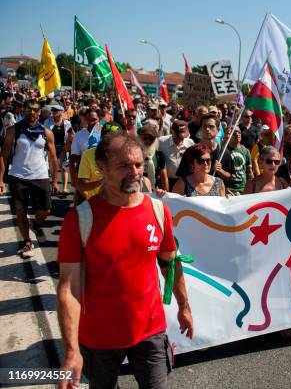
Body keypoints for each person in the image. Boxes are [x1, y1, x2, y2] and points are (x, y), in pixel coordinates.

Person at [57, 131, 193, 388]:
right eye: (123, 165)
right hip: (99, 339)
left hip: (150, 331)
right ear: (101, 168)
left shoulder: (158, 210)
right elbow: (69, 289)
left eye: (139, 164)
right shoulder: (80, 220)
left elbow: (170, 263)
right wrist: (71, 350)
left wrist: (184, 306)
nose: (134, 172)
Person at [0, 99, 59, 257]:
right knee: (20, 211)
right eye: (28, 109)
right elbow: (4, 154)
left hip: (40, 176)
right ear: (24, 111)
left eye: (35, 110)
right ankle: (27, 242)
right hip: (18, 176)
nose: (32, 112)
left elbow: (53, 158)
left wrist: (54, 180)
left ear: (39, 112)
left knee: (46, 209)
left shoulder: (46, 132)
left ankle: (35, 223)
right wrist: (0, 178)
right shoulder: (14, 130)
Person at [77, 122, 123, 201]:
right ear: (101, 137)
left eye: (113, 137)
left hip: (118, 203)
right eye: (105, 136)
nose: (108, 140)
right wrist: (102, 181)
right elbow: (82, 185)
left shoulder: (125, 156)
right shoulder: (88, 154)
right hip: (96, 204)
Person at [157, 120, 194, 191]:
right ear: (172, 131)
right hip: (167, 181)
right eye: (178, 135)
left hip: (184, 181)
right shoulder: (161, 142)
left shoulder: (190, 143)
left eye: (182, 136)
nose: (180, 139)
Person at [46, 104, 74, 195]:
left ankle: (65, 188)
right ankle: (54, 186)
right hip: (51, 147)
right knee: (53, 167)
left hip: (63, 147)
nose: (53, 113)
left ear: (61, 113)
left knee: (64, 167)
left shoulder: (67, 123)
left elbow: (71, 135)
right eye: (53, 111)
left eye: (56, 111)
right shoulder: (48, 121)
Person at [218, 129, 253, 195]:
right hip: (228, 190)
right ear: (229, 136)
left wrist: (253, 187)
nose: (237, 134)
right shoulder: (224, 151)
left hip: (243, 189)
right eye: (234, 132)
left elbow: (249, 171)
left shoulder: (246, 151)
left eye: (239, 132)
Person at [139, 124, 168, 191]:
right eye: (145, 138)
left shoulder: (159, 155)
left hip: (155, 191)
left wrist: (167, 196)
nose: (148, 141)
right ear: (140, 138)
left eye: (151, 139)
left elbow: (164, 178)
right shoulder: (135, 154)